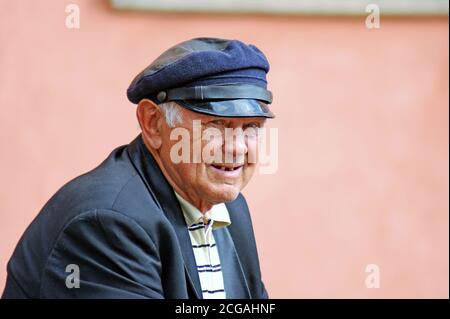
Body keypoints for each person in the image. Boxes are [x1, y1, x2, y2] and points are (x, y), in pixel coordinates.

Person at [2, 37, 275, 299]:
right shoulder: (107, 223)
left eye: (251, 127)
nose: (238, 148)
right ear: (153, 123)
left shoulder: (229, 209)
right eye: (216, 124)